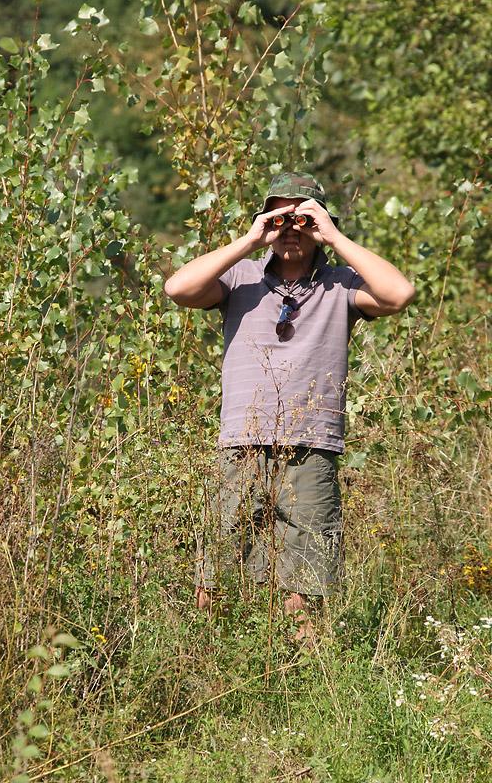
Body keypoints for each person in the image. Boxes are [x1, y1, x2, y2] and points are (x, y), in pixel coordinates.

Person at [163, 172, 415, 642]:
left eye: (303, 217)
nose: (291, 228)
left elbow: (399, 294)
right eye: (281, 216)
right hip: (242, 441)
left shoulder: (342, 285)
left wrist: (334, 237)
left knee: (305, 589)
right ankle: (210, 670)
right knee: (214, 579)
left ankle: (298, 684)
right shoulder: (239, 279)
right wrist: (252, 237)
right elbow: (178, 288)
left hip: (312, 444)